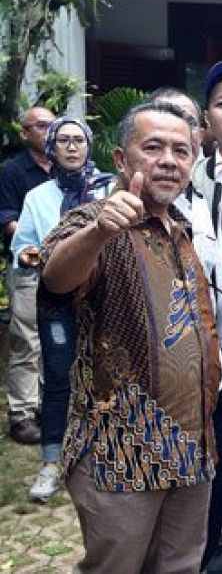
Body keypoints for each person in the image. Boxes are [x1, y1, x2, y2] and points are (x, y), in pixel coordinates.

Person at [38, 101, 220, 571]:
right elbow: (57, 277)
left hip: (191, 445)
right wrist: (100, 231)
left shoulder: (180, 227)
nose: (168, 160)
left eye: (182, 151)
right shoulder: (93, 219)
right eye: (153, 147)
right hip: (120, 451)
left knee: (180, 565)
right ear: (121, 159)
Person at [147, 85, 222, 570]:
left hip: (213, 369)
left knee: (216, 468)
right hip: (149, 383)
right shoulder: (110, 205)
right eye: (160, 128)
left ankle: (204, 556)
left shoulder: (205, 199)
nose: (170, 150)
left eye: (184, 128)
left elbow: (219, 272)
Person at [17, 117, 113, 501]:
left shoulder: (109, 188)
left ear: (89, 146)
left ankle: (105, 453)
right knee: (58, 376)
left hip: (104, 297)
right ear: (51, 147)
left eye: (79, 141)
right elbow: (23, 243)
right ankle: (51, 463)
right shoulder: (38, 197)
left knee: (108, 372)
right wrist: (26, 254)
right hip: (56, 301)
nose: (72, 148)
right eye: (64, 141)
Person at [1, 105, 56, 444]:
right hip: (28, 267)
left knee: (60, 338)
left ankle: (48, 406)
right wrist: (40, 243)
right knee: (26, 339)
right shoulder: (11, 171)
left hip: (65, 269)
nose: (50, 132)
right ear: (25, 133)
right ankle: (21, 414)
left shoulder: (68, 170)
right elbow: (6, 218)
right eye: (41, 126)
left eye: (54, 125)